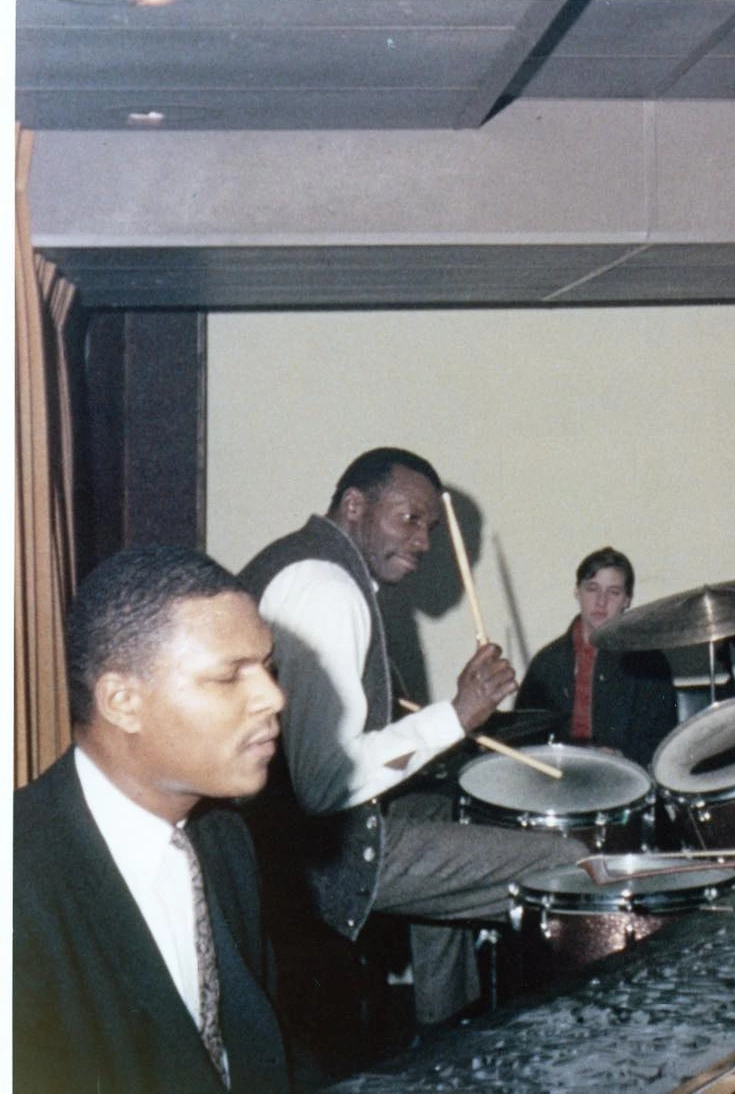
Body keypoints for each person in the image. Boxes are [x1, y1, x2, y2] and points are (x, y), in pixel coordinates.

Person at [239, 447, 584, 1027]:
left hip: (276, 838)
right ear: (355, 505)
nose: (424, 541)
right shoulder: (328, 588)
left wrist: (450, 723)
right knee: (569, 862)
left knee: (445, 809)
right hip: (315, 858)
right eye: (409, 519)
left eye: (429, 525)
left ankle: (450, 1032)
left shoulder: (299, 561)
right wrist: (457, 714)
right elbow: (324, 784)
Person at [13, 546, 291, 1093]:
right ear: (122, 702)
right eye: (229, 677)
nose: (273, 697)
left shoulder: (225, 839)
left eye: (267, 668)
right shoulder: (18, 876)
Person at [515, 546, 678, 766]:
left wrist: (622, 756)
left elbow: (664, 740)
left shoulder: (649, 662)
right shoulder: (547, 663)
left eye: (613, 592)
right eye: (592, 589)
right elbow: (522, 739)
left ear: (627, 599)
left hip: (623, 781)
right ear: (577, 592)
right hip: (556, 783)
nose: (601, 601)